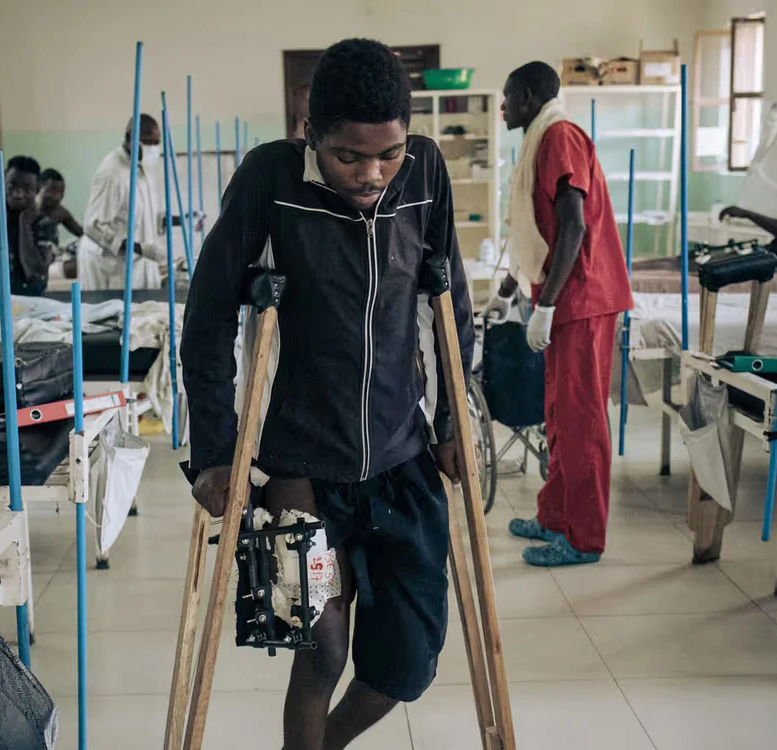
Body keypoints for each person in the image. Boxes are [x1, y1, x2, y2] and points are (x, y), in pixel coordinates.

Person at [180, 38, 472, 750]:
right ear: (311, 134)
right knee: (321, 648)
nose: (372, 174)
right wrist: (217, 453)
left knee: (407, 665)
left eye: (388, 154)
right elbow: (209, 315)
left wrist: (456, 419)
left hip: (401, 453)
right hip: (301, 464)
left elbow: (451, 301)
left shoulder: (427, 170)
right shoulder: (269, 178)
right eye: (350, 156)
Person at [490, 61, 634, 567]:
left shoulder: (560, 137)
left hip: (583, 299)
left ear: (529, 95)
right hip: (562, 296)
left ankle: (585, 538)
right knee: (556, 414)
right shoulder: (541, 139)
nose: (503, 107)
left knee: (582, 420)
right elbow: (541, 229)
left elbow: (573, 227)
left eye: (508, 96)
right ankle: (554, 517)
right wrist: (511, 288)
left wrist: (546, 306)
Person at [78, 114, 170, 289]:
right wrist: (140, 248)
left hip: (135, 262)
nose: (153, 148)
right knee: (115, 313)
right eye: (148, 142)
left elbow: (143, 216)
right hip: (109, 265)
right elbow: (94, 227)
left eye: (156, 143)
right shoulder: (112, 173)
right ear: (130, 138)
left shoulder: (139, 167)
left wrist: (182, 219)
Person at [0, 155, 58, 297]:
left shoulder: (45, 225)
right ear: (3, 182)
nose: (18, 194)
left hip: (34, 305)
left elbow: (35, 273)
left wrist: (24, 224)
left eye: (27, 189)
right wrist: (0, 222)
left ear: (37, 189)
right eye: (12, 186)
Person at [38, 168, 85, 238]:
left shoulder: (60, 213)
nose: (57, 197)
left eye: (61, 193)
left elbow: (84, 235)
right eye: (52, 190)